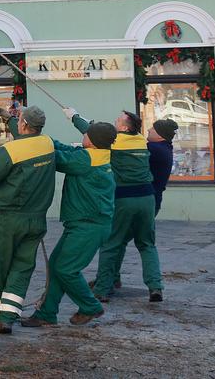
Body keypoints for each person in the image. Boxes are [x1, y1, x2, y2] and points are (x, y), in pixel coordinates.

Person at [0, 105, 56, 334]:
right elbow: (26, 135)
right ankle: (7, 318)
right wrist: (9, 118)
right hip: (37, 220)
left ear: (24, 124)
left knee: (3, 265)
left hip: (11, 218)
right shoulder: (47, 144)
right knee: (23, 267)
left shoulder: (11, 151)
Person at [21, 121, 116, 327]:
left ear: (91, 140)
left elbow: (57, 158)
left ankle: (90, 306)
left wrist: (29, 140)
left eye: (87, 133)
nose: (84, 135)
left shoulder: (86, 160)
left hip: (89, 225)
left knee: (66, 269)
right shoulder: (96, 155)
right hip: (83, 224)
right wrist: (42, 139)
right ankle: (46, 314)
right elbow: (64, 148)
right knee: (56, 265)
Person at [63, 107, 163, 303]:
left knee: (111, 243)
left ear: (125, 127)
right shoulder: (141, 140)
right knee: (147, 244)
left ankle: (102, 289)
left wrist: (74, 116)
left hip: (124, 198)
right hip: (147, 198)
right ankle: (155, 286)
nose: (116, 121)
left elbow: (93, 132)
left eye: (119, 120)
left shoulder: (115, 142)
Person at [147, 118, 177, 215]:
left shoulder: (155, 149)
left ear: (160, 135)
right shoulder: (164, 147)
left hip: (150, 199)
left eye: (153, 128)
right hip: (154, 198)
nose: (149, 130)